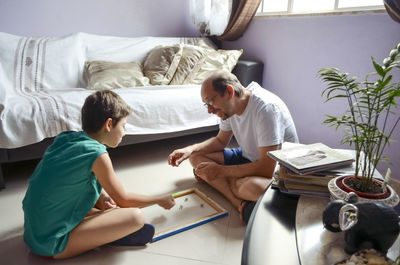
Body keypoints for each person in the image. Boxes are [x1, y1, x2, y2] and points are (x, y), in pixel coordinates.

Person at [22, 90, 175, 259]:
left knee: (105, 204)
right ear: (109, 124)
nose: (124, 132)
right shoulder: (98, 154)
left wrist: (101, 196)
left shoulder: (66, 138)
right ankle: (104, 234)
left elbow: (72, 179)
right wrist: (159, 199)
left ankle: (102, 226)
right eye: (123, 126)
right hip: (51, 244)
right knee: (135, 216)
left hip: (33, 232)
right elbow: (123, 200)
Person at [168, 70, 298, 223]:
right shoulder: (229, 108)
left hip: (279, 170)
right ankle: (237, 201)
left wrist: (220, 172)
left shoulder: (265, 108)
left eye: (210, 102)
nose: (209, 110)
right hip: (249, 157)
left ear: (229, 91)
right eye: (206, 104)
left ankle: (233, 188)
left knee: (247, 187)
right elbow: (220, 141)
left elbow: (267, 168)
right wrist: (189, 150)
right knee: (196, 158)